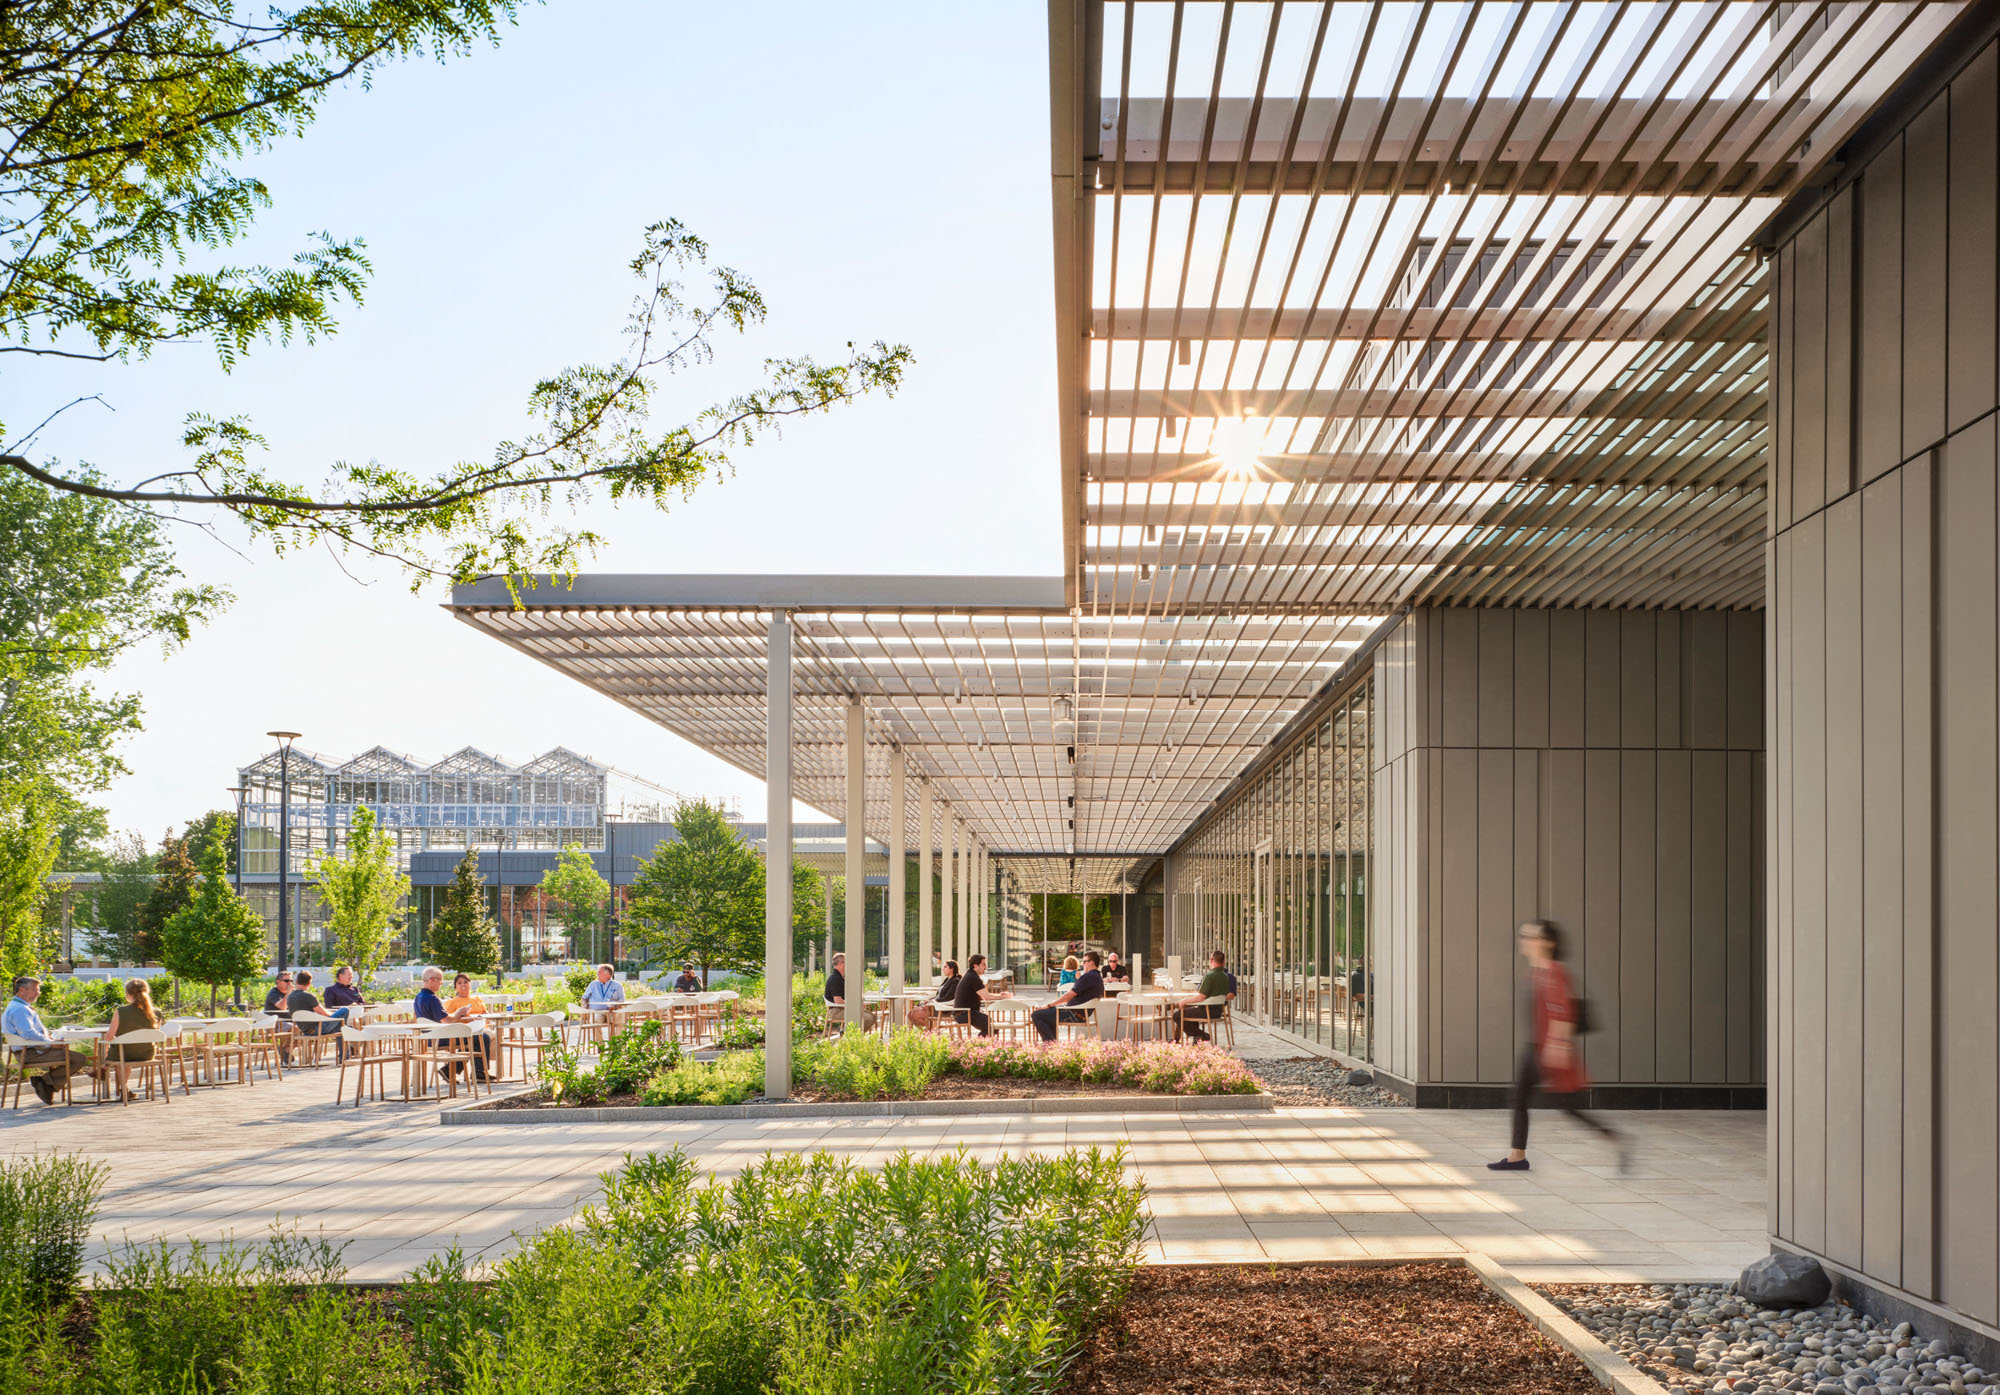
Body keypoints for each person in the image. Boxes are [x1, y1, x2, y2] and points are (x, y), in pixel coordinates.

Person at [1489, 922, 1627, 1173]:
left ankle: (1613, 1137)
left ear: (1549, 943)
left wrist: (1556, 1045)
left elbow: (1562, 1010)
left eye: (1533, 936)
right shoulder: (1537, 972)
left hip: (1549, 1051)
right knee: (1519, 1098)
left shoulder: (1554, 972)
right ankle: (1517, 1156)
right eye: (1525, 935)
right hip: (1536, 1048)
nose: (1526, 939)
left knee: (1568, 1107)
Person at [4, 975, 98, 1104]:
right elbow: (29, 1034)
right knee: (79, 1059)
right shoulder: (20, 1009)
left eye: (38, 990)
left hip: (30, 1051)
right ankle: (45, 1082)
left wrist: (50, 1039)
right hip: (30, 1053)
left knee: (73, 1056)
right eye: (34, 990)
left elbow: (30, 1033)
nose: (38, 993)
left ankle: (46, 1085)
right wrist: (51, 1043)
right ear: (22, 990)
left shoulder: (18, 1006)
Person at [416, 967, 494, 1083]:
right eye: (440, 980)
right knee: (482, 1038)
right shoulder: (432, 999)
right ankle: (475, 1073)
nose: (441, 983)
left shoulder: (418, 997)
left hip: (429, 1037)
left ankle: (452, 1071)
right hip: (440, 1037)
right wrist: (459, 1013)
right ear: (432, 980)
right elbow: (447, 1021)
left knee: (477, 1039)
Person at [101, 978, 162, 1102]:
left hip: (125, 1053)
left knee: (120, 1052)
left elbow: (108, 1037)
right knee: (123, 1051)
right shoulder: (157, 1012)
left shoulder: (121, 1011)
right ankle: (125, 1089)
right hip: (147, 1053)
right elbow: (155, 1035)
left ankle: (122, 1087)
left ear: (128, 994)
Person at [1033, 951, 1104, 1042]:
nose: (1083, 964)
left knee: (1037, 1015)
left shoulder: (1088, 976)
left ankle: (1050, 1046)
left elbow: (1069, 995)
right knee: (1048, 1014)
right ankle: (1052, 1044)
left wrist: (1050, 1005)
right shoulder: (1097, 977)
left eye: (1085, 961)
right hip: (1080, 1013)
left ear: (1092, 962)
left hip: (1074, 1013)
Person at [1177, 950, 1234, 1043]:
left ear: (1211, 960)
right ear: (1223, 961)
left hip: (1206, 1010)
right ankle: (1198, 1036)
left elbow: (1201, 997)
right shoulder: (1225, 977)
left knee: (1177, 1015)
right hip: (1218, 1011)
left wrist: (1184, 1001)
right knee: (1190, 1011)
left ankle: (1201, 1035)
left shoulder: (1209, 976)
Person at [286, 969, 343, 1061]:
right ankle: (343, 1058)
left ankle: (344, 1055)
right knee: (344, 1011)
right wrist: (335, 1015)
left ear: (296, 982)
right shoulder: (309, 996)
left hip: (303, 1030)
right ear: (309, 984)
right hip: (317, 1029)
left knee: (342, 1027)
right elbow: (324, 1013)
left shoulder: (289, 998)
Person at [954, 953, 1012, 1037]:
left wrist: (999, 995)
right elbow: (986, 997)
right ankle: (977, 1046)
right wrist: (1004, 996)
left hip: (964, 1013)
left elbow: (984, 995)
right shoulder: (973, 977)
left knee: (991, 1024)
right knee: (992, 1027)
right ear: (975, 966)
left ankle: (978, 1045)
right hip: (966, 1014)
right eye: (983, 964)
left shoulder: (969, 974)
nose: (985, 967)